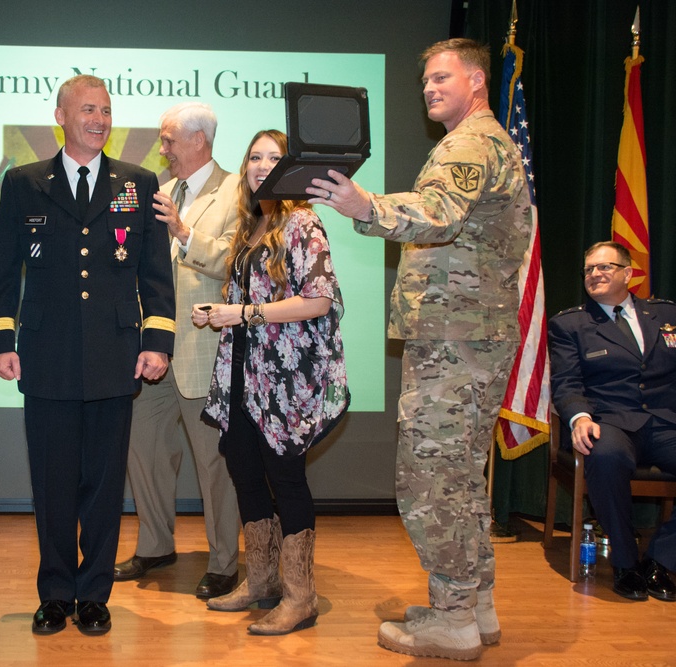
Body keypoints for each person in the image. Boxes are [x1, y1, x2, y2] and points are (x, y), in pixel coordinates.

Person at [309, 38, 532, 660]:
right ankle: (473, 607)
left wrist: (364, 205)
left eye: (442, 77)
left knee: (430, 480)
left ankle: (455, 617)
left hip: (456, 341)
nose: (430, 88)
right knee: (459, 478)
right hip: (469, 336)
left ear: (477, 81)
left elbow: (439, 214)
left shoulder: (469, 144)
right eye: (426, 80)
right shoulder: (479, 140)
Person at [0, 75, 175, 636]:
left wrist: (157, 342)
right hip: (46, 357)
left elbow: (156, 275)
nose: (100, 119)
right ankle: (55, 594)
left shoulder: (138, 183)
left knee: (104, 484)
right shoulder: (24, 183)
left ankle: (94, 595)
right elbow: (2, 270)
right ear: (60, 116)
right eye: (88, 109)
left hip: (116, 356)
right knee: (53, 484)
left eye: (107, 111)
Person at [192, 129, 349, 635]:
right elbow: (247, 298)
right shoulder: (253, 223)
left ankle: (301, 596)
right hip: (239, 377)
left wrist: (242, 311)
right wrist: (219, 313)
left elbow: (319, 299)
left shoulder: (303, 222)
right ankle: (261, 581)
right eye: (255, 156)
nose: (262, 165)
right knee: (244, 471)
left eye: (274, 157)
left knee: (286, 480)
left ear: (292, 169)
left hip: (285, 382)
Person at [115, 102, 241, 599]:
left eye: (169, 140)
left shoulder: (238, 189)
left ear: (199, 141)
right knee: (142, 450)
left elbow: (237, 260)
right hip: (154, 349)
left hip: (207, 351)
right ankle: (155, 545)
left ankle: (225, 561)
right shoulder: (158, 193)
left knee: (215, 465)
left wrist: (185, 233)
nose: (162, 149)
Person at [549, 241, 676, 603]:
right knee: (604, 456)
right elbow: (567, 382)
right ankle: (625, 562)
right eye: (589, 269)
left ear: (628, 272)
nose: (595, 274)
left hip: (666, 422)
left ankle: (658, 561)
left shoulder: (665, 315)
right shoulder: (571, 323)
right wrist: (580, 416)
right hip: (612, 423)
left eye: (604, 267)